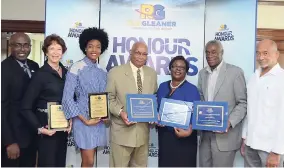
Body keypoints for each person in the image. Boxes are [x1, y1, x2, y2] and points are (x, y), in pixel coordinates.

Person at [20, 34, 71, 167]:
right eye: (52, 48)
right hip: (46, 131)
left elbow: (69, 100)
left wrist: (70, 120)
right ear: (46, 51)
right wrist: (40, 128)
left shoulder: (66, 73)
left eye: (59, 49)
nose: (55, 52)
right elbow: (25, 107)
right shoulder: (40, 75)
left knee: (60, 164)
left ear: (63, 51)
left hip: (62, 130)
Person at [62, 27, 109, 167]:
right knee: (88, 161)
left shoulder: (103, 70)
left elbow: (104, 96)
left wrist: (105, 114)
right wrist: (85, 120)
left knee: (90, 161)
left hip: (98, 121)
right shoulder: (76, 67)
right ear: (85, 47)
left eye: (98, 47)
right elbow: (67, 98)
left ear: (102, 49)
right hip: (83, 121)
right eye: (90, 46)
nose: (94, 50)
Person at [106, 41, 158, 167]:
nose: (141, 57)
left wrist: (153, 113)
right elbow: (108, 99)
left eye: (144, 54)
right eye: (138, 53)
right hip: (121, 133)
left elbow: (154, 97)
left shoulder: (152, 73)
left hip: (142, 135)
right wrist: (120, 112)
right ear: (130, 53)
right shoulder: (115, 72)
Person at [198, 40, 247, 167]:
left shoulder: (235, 73)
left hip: (225, 136)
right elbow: (201, 100)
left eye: (214, 52)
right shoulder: (202, 74)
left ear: (222, 53)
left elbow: (242, 103)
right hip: (205, 136)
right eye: (207, 52)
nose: (210, 55)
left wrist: (229, 122)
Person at [241, 39, 284, 167]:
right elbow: (250, 110)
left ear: (276, 54)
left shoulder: (281, 79)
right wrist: (244, 137)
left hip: (270, 148)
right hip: (250, 144)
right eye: (258, 53)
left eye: (265, 53)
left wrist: (277, 151)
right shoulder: (254, 77)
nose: (260, 57)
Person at [1, 33, 39, 167]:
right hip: (14, 139)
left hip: (32, 136)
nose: (22, 49)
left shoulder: (35, 66)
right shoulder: (3, 69)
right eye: (17, 45)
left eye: (26, 45)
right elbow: (2, 108)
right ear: (11, 46)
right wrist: (9, 141)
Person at [156, 56, 200, 167]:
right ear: (170, 69)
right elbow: (156, 109)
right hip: (165, 138)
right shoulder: (162, 87)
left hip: (186, 138)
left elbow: (197, 116)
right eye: (175, 66)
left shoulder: (192, 89)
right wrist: (156, 118)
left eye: (182, 67)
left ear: (186, 71)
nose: (178, 69)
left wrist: (190, 130)